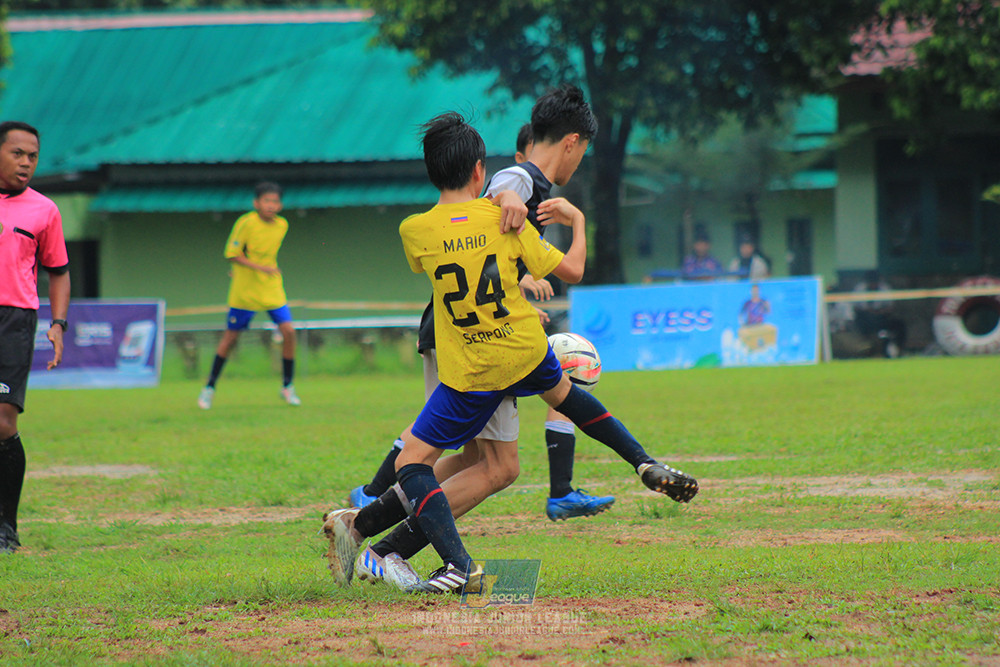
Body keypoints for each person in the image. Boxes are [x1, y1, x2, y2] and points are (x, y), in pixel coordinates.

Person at [323, 112, 698, 594]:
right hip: (522, 347)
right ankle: (642, 460)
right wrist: (573, 220)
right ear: (480, 171)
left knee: (412, 465)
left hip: (473, 367)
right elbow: (572, 269)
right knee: (568, 398)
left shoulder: (414, 230)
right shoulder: (506, 216)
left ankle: (453, 562)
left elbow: (440, 257)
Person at [349, 86, 615, 522]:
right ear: (573, 142)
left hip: (475, 324)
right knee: (467, 452)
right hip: (464, 329)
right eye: (583, 149)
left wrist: (518, 286)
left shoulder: (529, 184)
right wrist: (508, 199)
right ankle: (372, 508)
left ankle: (377, 509)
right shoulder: (521, 180)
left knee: (475, 453)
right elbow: (492, 207)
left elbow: (486, 250)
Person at [0, 121, 71, 554]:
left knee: (3, 422)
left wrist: (58, 323)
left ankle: (6, 527)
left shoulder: (44, 210)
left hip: (14, 320)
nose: (26, 162)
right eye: (17, 153)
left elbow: (58, 272)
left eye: (33, 156)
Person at [197, 182, 301, 409]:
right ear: (256, 203)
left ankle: (287, 386)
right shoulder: (246, 223)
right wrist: (258, 267)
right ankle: (209, 388)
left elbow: (264, 253)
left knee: (289, 331)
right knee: (230, 338)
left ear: (280, 205)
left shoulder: (282, 225)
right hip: (245, 289)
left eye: (275, 201)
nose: (271, 205)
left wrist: (265, 269)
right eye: (267, 201)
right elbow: (232, 253)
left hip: (271, 287)